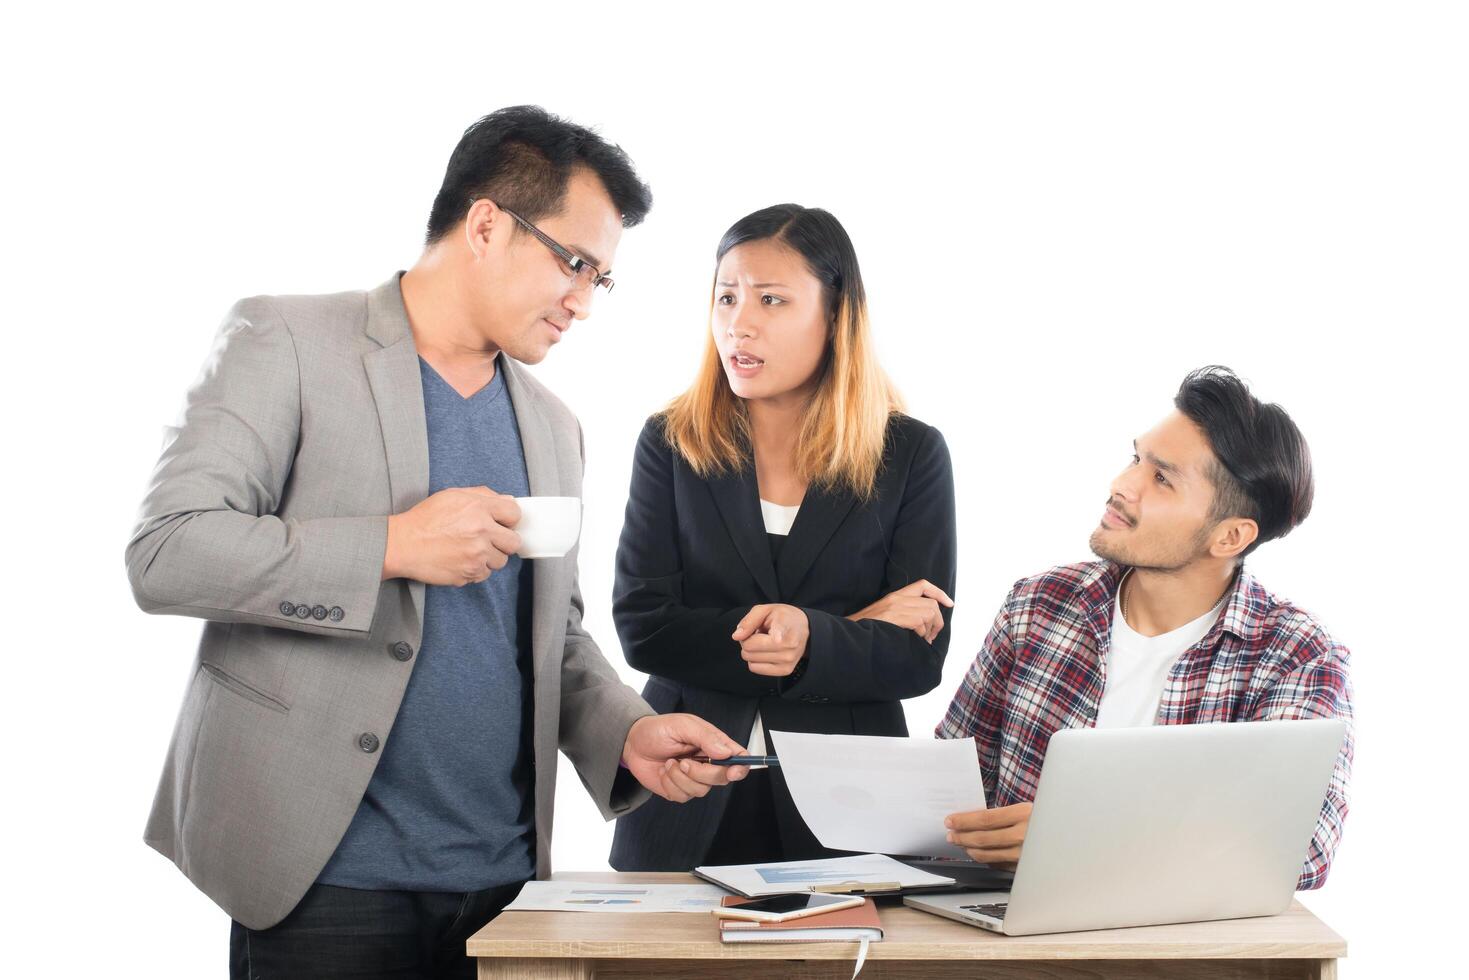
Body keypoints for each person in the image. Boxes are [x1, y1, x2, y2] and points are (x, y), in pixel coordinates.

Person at [125, 106, 749, 979]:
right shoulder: (288, 341)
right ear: (487, 223)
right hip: (323, 880)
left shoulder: (554, 427)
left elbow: (552, 635)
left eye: (599, 280)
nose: (581, 300)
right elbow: (168, 551)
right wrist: (390, 545)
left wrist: (627, 733)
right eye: (574, 262)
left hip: (504, 887)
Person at [609, 204, 958, 872]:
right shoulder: (671, 443)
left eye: (772, 300)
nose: (739, 322)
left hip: (850, 805)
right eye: (727, 297)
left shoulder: (909, 454)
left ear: (835, 315)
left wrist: (813, 636)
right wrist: (843, 628)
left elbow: (917, 659)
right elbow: (644, 628)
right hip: (690, 786)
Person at [936, 366, 1353, 889]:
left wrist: (1078, 837)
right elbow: (952, 784)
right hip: (1009, 935)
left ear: (1229, 537)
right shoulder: (1039, 604)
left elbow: (1303, 849)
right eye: (1137, 459)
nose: (1121, 485)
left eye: (1161, 478)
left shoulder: (1296, 655)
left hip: (1182, 952)